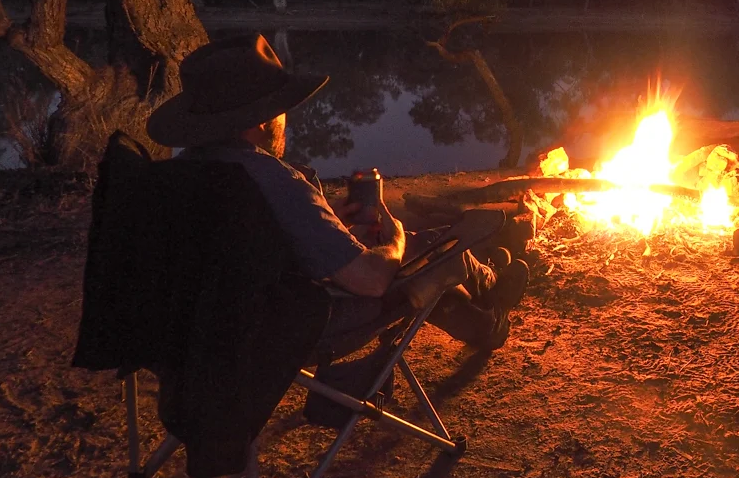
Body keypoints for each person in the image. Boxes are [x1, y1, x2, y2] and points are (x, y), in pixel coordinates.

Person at [145, 33, 527, 349]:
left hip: (194, 332)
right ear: (261, 122)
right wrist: (394, 239)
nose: (286, 118)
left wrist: (318, 224)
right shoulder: (273, 180)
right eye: (282, 108)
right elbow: (371, 281)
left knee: (416, 252)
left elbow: (241, 249)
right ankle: (488, 293)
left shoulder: (173, 179)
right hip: (287, 330)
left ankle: (486, 309)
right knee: (428, 254)